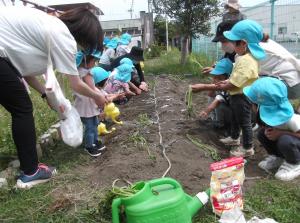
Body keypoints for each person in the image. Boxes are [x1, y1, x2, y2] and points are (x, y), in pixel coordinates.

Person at [0, 7, 107, 188]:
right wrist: (98, 96)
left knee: (20, 105)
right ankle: (31, 172)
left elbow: (23, 70)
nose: (83, 49)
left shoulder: (48, 26)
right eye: (86, 45)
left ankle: (30, 169)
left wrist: (45, 94)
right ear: (83, 36)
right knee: (22, 108)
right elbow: (76, 84)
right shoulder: (63, 36)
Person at [192, 20, 266, 157]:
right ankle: (234, 137)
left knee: (245, 123)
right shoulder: (242, 57)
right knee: (235, 119)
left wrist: (225, 85)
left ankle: (247, 148)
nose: (231, 45)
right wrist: (226, 81)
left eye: (233, 42)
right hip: (236, 95)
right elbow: (235, 77)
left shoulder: (246, 60)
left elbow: (236, 83)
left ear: (243, 43)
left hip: (242, 96)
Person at [243, 77, 300, 181]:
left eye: (252, 103)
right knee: (262, 134)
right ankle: (278, 157)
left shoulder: (293, 120)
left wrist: (280, 133)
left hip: (295, 143)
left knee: (285, 140)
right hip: (288, 143)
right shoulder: (266, 117)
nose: (251, 106)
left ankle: (294, 164)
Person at [74, 50, 106, 157]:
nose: (95, 63)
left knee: (94, 124)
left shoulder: (81, 71)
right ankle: (89, 146)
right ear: (85, 61)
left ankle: (94, 141)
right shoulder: (84, 73)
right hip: (85, 105)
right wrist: (101, 96)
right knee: (90, 126)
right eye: (94, 61)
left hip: (87, 104)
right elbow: (92, 88)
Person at [192, 58, 233, 136]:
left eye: (220, 78)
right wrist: (213, 84)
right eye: (214, 77)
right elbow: (210, 95)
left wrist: (206, 111)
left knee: (219, 104)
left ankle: (221, 124)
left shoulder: (229, 87)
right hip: (225, 108)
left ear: (228, 78)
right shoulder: (220, 84)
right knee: (212, 97)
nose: (216, 80)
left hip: (232, 114)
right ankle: (215, 119)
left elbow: (217, 100)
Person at [259, 34, 300, 100]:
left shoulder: (253, 50)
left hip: (289, 83)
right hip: (296, 79)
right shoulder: (266, 42)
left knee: (254, 86)